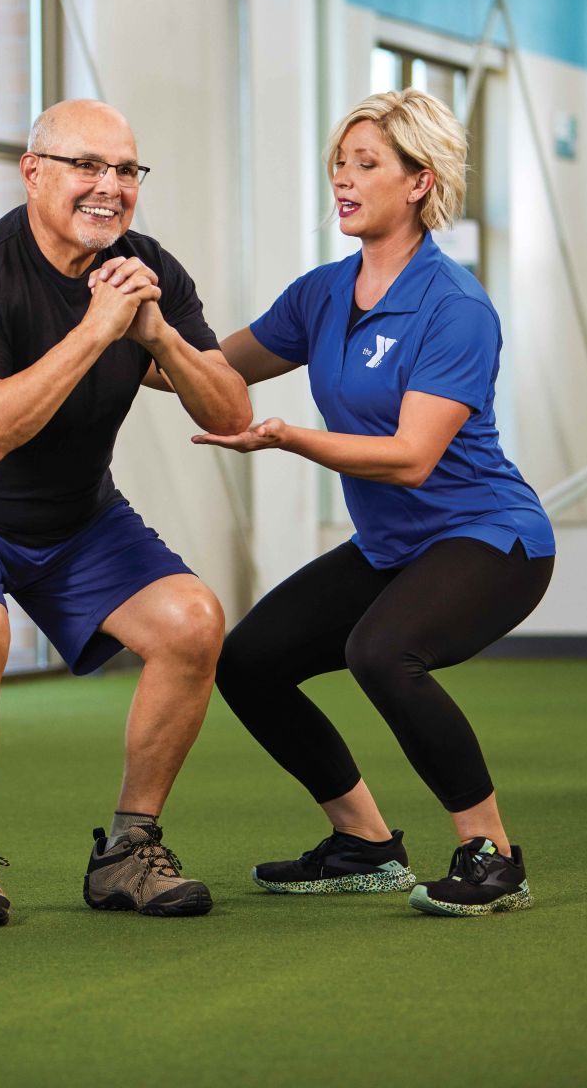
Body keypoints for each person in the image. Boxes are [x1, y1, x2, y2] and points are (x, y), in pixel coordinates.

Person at [0, 99, 252, 926]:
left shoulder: (146, 268)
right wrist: (95, 329)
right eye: (86, 166)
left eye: (124, 170)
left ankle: (127, 852)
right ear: (34, 171)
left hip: (75, 513)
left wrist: (158, 337)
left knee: (192, 622)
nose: (107, 187)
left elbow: (227, 414)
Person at [196, 89, 555, 917]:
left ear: (419, 182)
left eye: (366, 165)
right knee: (247, 661)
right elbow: (211, 372)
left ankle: (492, 857)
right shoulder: (321, 293)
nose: (344, 180)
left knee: (380, 650)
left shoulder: (453, 306)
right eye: (338, 163)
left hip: (488, 537)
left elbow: (410, 458)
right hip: (394, 547)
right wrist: (124, 331)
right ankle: (362, 844)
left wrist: (286, 437)